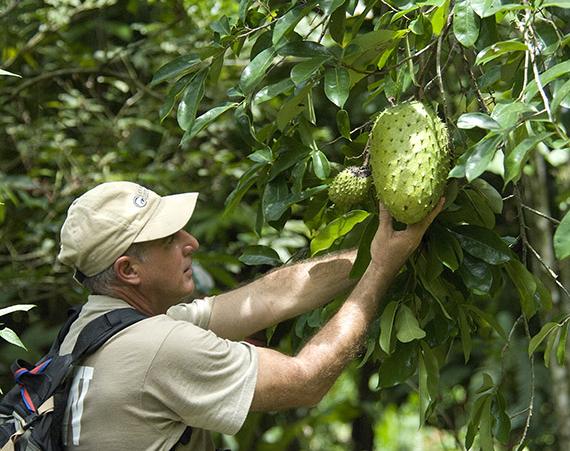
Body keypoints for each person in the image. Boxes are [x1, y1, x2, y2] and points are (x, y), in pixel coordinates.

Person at [55, 181, 443, 450]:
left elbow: (265, 297)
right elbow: (306, 381)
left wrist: (375, 254)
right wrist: (381, 271)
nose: (190, 243)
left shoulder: (90, 328)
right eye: (169, 240)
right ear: (128, 271)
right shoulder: (161, 349)